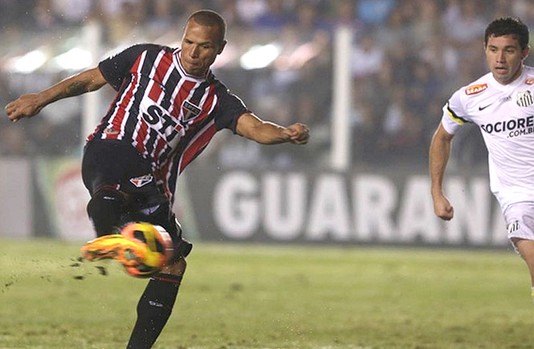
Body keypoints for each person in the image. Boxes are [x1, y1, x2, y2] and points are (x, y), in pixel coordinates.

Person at [4, 9, 309, 349]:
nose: (193, 53)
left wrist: (285, 133)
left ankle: (135, 331)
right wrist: (41, 99)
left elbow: (254, 127)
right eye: (188, 42)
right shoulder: (145, 57)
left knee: (174, 263)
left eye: (204, 47)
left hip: (151, 180)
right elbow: (92, 78)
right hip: (109, 146)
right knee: (113, 189)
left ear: (219, 49)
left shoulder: (216, 100)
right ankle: (109, 232)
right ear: (182, 37)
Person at [429, 17, 534, 349]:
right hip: (518, 198)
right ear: (485, 50)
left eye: (508, 51)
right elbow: (441, 138)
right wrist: (436, 191)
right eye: (493, 50)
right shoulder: (470, 96)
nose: (500, 59)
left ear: (524, 52)